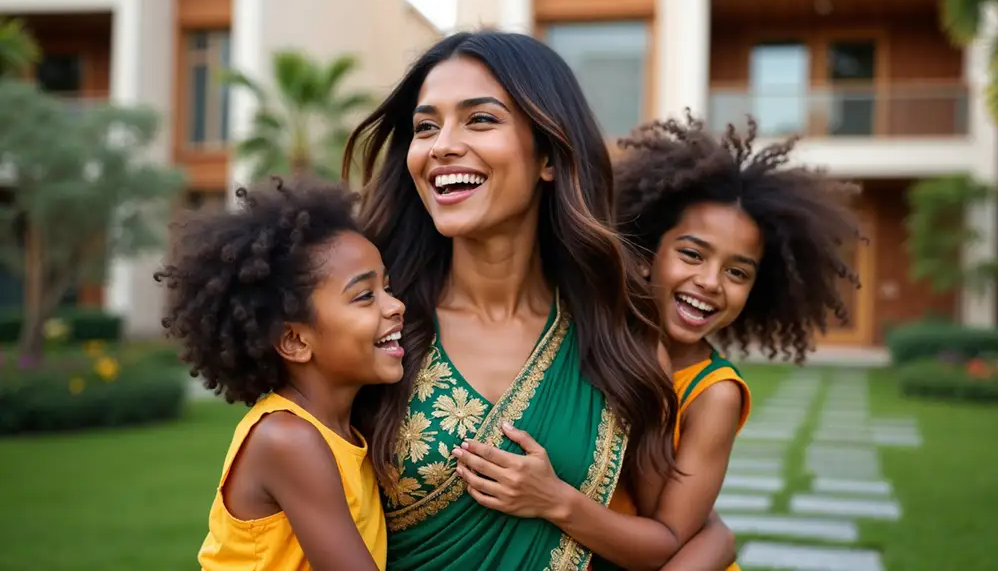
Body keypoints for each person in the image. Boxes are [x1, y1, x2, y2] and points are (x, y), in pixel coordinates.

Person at [342, 31, 733, 570]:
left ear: (548, 154)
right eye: (426, 126)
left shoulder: (620, 342)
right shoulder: (377, 328)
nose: (441, 145)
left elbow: (671, 536)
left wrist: (560, 504)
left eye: (480, 119)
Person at [455, 113, 863, 570]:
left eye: (737, 272)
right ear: (648, 254)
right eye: (692, 254)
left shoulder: (714, 395)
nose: (710, 281)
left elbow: (674, 536)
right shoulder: (591, 329)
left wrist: (554, 499)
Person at [155, 177, 405, 571]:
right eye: (364, 296)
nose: (396, 306)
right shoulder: (289, 440)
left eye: (387, 288)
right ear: (294, 340)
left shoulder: (343, 432)